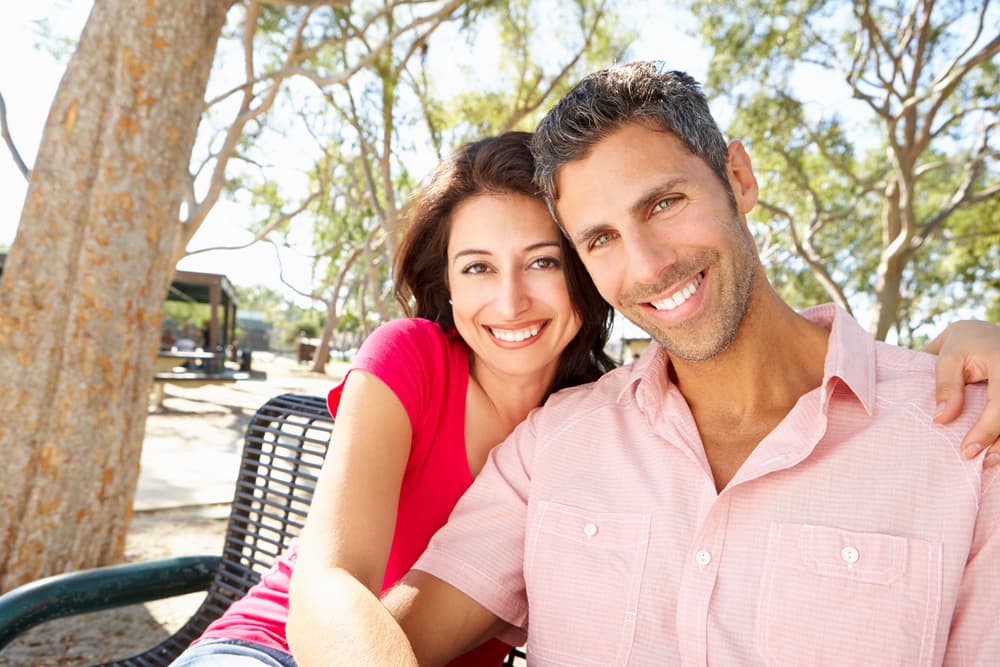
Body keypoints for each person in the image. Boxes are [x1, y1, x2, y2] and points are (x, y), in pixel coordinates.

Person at [374, 63, 1000, 665]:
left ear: (739, 176)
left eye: (664, 204)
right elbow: (394, 641)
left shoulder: (970, 439)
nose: (646, 266)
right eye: (601, 239)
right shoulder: (552, 442)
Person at [168, 131, 616, 666]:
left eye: (543, 261)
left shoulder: (604, 424)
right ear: (446, 282)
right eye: (478, 267)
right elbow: (329, 578)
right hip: (271, 650)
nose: (510, 300)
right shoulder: (409, 358)